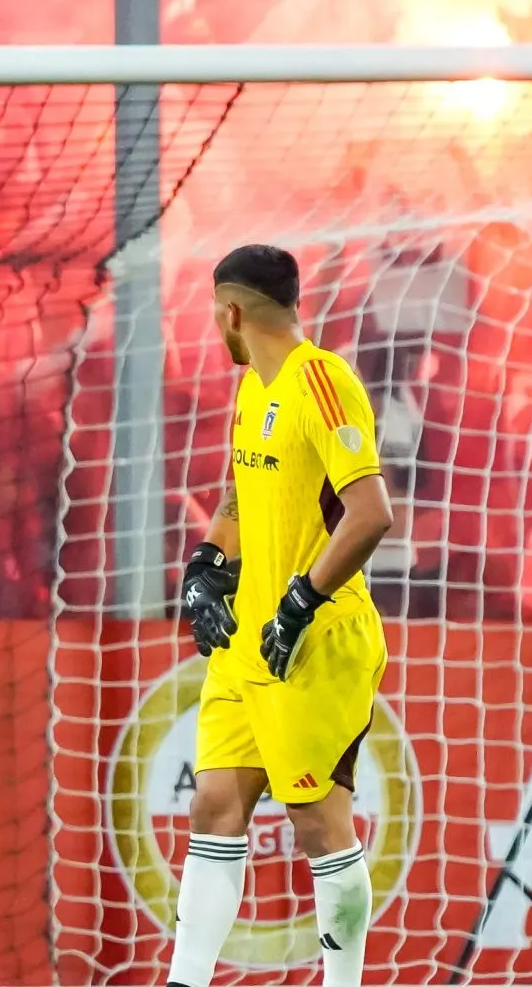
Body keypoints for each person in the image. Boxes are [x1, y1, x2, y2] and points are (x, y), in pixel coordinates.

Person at [168, 245, 394, 987]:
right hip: (247, 639)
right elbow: (240, 493)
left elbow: (370, 514)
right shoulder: (252, 392)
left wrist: (301, 600)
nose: (214, 327)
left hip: (314, 641)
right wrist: (207, 565)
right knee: (214, 807)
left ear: (232, 312)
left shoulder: (320, 381)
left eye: (214, 313)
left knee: (317, 824)